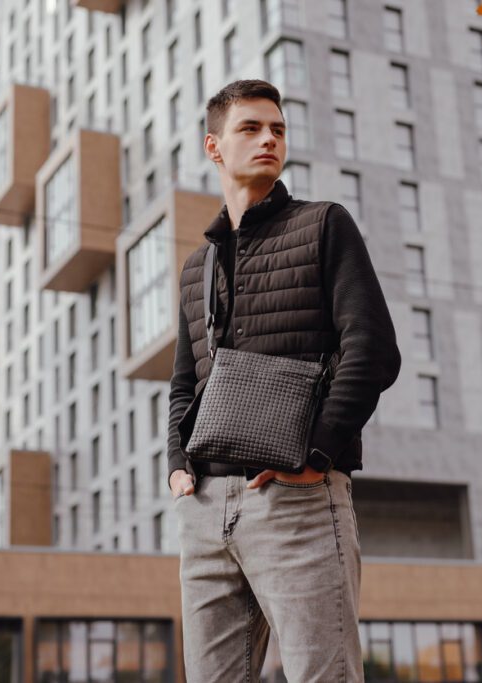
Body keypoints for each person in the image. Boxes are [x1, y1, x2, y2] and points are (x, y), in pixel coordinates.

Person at [166, 79, 401, 681]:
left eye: (278, 129)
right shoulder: (198, 266)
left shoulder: (324, 224)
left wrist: (318, 454)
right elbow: (185, 382)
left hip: (296, 497)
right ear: (214, 147)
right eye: (251, 128)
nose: (269, 138)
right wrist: (177, 463)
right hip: (203, 508)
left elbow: (373, 350)